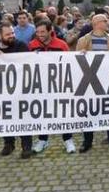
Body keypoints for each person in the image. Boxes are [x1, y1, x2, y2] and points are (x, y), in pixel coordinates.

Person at [77, 14, 109, 152]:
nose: (107, 22)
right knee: (88, 111)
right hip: (89, 81)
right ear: (97, 23)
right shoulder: (83, 40)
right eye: (105, 21)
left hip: (108, 79)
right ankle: (87, 141)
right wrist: (81, 54)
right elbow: (76, 61)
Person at [28, 20, 76, 154]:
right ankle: (43, 140)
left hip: (59, 85)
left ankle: (68, 140)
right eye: (37, 32)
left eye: (43, 31)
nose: (40, 34)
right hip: (40, 86)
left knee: (63, 113)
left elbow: (70, 63)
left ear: (50, 31)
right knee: (42, 113)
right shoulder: (32, 45)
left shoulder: (61, 45)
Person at [0, 22, 34, 158]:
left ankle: (26, 145)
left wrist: (4, 57)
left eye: (12, 33)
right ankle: (9, 143)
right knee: (5, 118)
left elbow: (25, 64)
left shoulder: (21, 46)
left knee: (23, 118)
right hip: (1, 92)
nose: (12, 36)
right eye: (8, 34)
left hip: (21, 91)